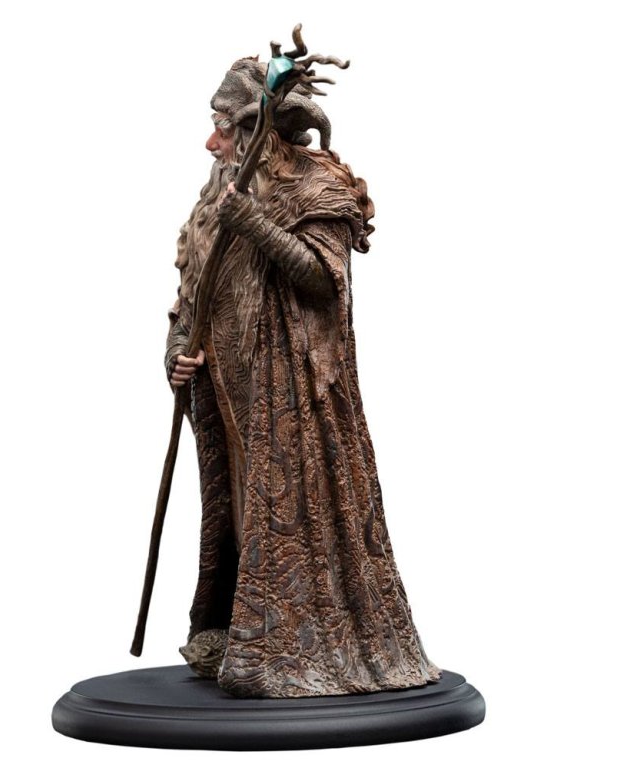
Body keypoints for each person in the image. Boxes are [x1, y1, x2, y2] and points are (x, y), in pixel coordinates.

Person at [165, 57, 439, 698]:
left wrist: (253, 224)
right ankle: (235, 632)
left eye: (221, 127)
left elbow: (322, 282)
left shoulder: (315, 187)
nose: (210, 143)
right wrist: (179, 350)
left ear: (254, 127)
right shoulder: (215, 198)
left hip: (293, 394)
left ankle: (305, 647)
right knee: (238, 511)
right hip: (228, 390)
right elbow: (192, 294)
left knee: (297, 512)